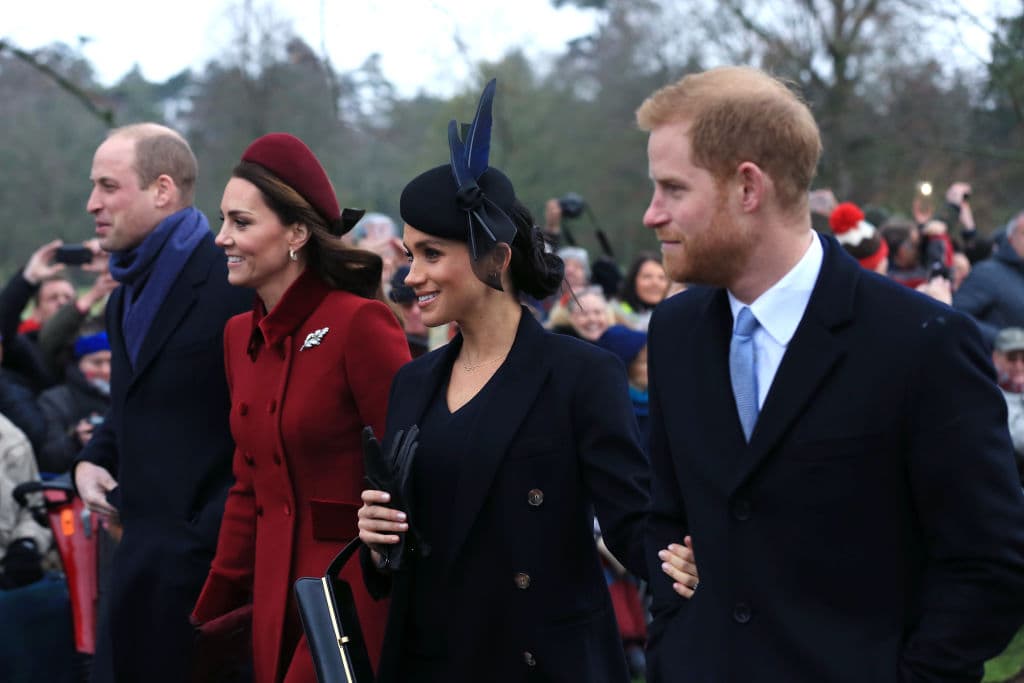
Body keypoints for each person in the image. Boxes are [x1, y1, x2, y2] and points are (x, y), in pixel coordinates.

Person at [639, 66, 1024, 682]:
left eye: (672, 189)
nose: (651, 215)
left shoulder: (920, 341)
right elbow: (667, 515)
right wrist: (676, 638)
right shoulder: (677, 330)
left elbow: (989, 561)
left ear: (747, 187)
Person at [356, 79, 650, 682]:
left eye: (431, 254)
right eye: (410, 255)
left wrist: (701, 559)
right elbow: (406, 553)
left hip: (540, 663)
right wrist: (379, 541)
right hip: (430, 661)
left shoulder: (582, 375)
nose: (412, 275)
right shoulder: (414, 383)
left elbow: (632, 523)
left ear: (495, 256)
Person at [190, 133, 410, 682]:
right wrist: (216, 600)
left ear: (295, 233)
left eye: (241, 222)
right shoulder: (239, 334)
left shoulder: (360, 323)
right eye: (223, 221)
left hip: (351, 592)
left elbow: (409, 466)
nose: (222, 238)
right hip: (273, 595)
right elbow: (249, 485)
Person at [73, 123, 251, 683]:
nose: (92, 203)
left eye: (107, 186)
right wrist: (94, 458)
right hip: (137, 567)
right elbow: (133, 403)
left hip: (210, 575)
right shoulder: (122, 296)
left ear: (163, 189)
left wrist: (210, 530)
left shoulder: (231, 283)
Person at [36, 330, 112, 474]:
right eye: (96, 362)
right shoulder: (55, 400)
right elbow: (47, 458)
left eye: (111, 361)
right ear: (78, 363)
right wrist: (75, 440)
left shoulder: (129, 397)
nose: (106, 370)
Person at [953, 210, 1024, 346]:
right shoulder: (987, 273)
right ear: (1010, 238)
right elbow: (958, 316)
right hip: (993, 364)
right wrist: (1004, 340)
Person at [992, 327, 1024, 482]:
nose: (1019, 365)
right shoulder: (990, 394)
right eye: (1012, 357)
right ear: (996, 358)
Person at [615, 253, 668, 330]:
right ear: (633, 280)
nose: (655, 283)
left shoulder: (675, 314)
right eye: (647, 276)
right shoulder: (617, 311)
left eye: (662, 277)